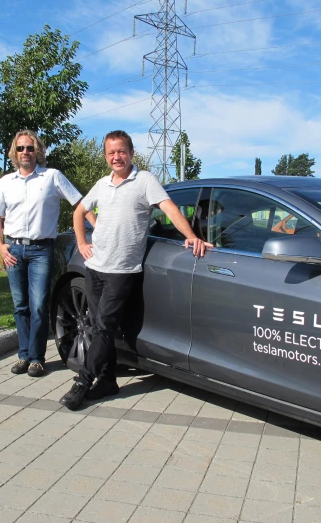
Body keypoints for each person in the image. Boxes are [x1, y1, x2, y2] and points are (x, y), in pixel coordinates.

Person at [59, 130, 212, 409]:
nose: (116, 157)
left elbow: (169, 209)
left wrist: (190, 235)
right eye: (111, 153)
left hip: (122, 270)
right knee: (96, 327)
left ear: (131, 153)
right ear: (106, 156)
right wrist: (82, 242)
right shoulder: (102, 184)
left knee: (104, 327)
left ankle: (82, 383)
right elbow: (79, 212)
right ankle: (107, 382)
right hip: (95, 266)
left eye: (121, 151)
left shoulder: (144, 181)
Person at [0, 130, 90, 377]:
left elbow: (81, 203)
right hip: (13, 249)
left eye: (30, 148)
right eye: (21, 148)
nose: (25, 152)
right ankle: (23, 356)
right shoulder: (6, 182)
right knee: (20, 306)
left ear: (38, 151)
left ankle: (37, 358)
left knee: (39, 305)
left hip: (41, 250)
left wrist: (98, 229)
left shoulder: (52, 177)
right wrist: (1, 247)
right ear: (15, 152)